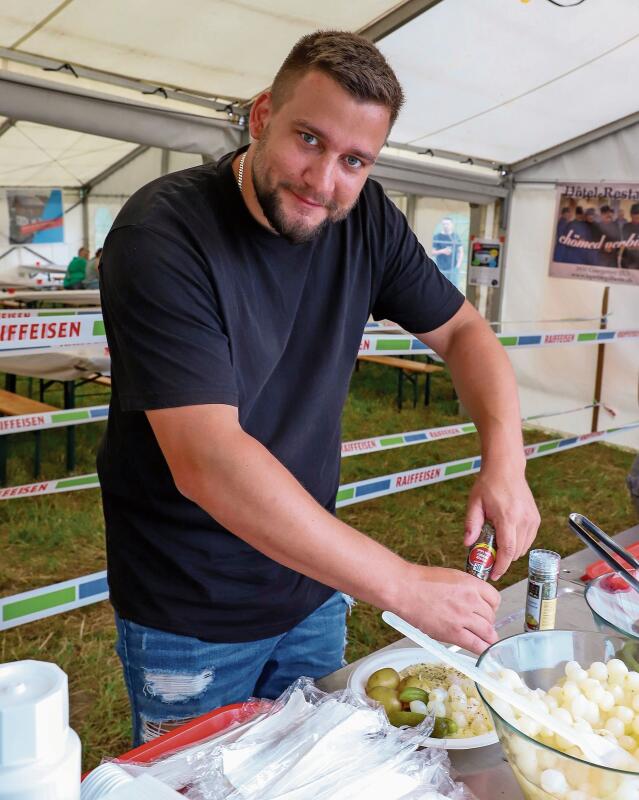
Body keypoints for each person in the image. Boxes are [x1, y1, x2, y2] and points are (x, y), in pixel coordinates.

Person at [99, 30, 540, 746]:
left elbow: (464, 333)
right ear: (260, 115)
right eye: (308, 138)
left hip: (314, 582)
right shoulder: (162, 235)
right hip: (189, 604)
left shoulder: (363, 217)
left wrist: (505, 459)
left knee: (316, 768)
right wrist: (397, 584)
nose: (323, 180)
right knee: (199, 787)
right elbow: (207, 459)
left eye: (354, 161)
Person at [431, 217, 464, 285]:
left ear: (452, 225)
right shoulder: (437, 237)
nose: (446, 226)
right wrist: (442, 251)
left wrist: (458, 266)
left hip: (453, 268)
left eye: (447, 224)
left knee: (454, 288)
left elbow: (461, 252)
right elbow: (432, 252)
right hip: (440, 268)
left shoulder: (456, 236)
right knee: (439, 287)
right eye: (444, 224)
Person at [621, 203, 639, 269]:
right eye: (635, 215)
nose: (637, 217)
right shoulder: (626, 227)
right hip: (628, 260)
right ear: (631, 215)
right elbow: (624, 243)